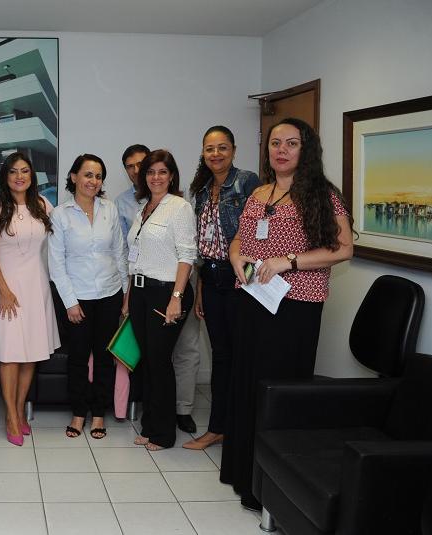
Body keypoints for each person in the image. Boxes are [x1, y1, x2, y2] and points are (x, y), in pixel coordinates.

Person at [220, 117, 353, 510]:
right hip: (253, 300)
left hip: (294, 307)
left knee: (276, 390)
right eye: (275, 143)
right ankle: (244, 475)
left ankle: (273, 486)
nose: (281, 150)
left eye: (291, 143)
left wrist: (287, 261)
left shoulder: (322, 194)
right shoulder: (259, 192)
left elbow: (343, 248)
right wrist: (235, 257)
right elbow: (240, 239)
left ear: (305, 149)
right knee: (247, 383)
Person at [182, 126, 260, 450]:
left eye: (222, 147)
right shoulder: (201, 190)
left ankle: (242, 429)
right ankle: (218, 428)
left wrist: (251, 279)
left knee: (242, 355)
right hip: (212, 279)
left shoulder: (247, 182)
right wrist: (200, 287)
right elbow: (204, 247)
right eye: (210, 149)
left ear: (233, 150)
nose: (216, 154)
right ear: (203, 153)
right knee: (222, 356)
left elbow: (258, 234)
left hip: (241, 278)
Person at [0, 152, 60, 446]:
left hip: (36, 288)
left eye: (25, 171)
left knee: (31, 354)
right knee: (10, 354)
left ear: (32, 175)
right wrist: (5, 291)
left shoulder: (43, 205)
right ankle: (10, 416)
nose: (19, 176)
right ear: (5, 176)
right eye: (13, 171)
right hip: (6, 289)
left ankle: (20, 410)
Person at [48, 154, 127, 440]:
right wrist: (70, 302)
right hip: (77, 298)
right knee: (78, 358)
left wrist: (126, 294)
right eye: (88, 174)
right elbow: (56, 263)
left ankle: (99, 413)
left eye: (98, 176)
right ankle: (79, 412)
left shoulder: (110, 209)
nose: (93, 181)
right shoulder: (61, 214)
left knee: (105, 357)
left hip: (110, 293)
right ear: (74, 177)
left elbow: (119, 253)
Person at [126, 149, 196, 451]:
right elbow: (135, 257)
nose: (156, 177)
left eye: (162, 172)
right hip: (140, 291)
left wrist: (176, 298)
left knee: (160, 362)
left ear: (172, 176)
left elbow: (187, 255)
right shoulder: (143, 207)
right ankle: (150, 426)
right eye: (151, 172)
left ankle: (164, 434)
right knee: (148, 362)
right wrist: (129, 296)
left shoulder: (179, 207)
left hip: (167, 292)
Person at [111, 144, 149, 422]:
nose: (136, 170)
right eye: (130, 166)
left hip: (167, 282)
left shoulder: (173, 198)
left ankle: (173, 409)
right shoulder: (121, 202)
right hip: (135, 282)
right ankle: (134, 406)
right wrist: (127, 291)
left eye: (141, 164)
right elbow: (123, 250)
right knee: (134, 343)